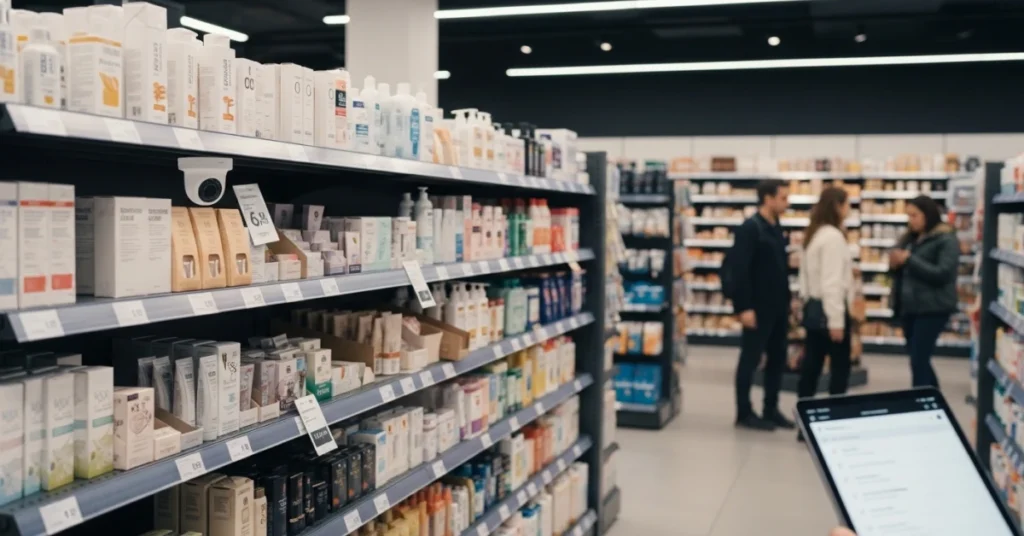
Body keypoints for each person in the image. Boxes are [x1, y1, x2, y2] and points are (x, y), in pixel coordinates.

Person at [730, 179, 794, 431]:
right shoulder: (750, 228)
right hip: (757, 307)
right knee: (750, 359)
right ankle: (744, 412)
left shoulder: (777, 226)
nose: (786, 203)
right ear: (768, 198)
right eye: (783, 198)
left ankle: (771, 408)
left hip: (778, 306)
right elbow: (739, 271)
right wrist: (743, 307)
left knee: (778, 359)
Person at [796, 187, 854, 423]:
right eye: (847, 204)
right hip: (830, 313)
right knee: (839, 371)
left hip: (814, 309)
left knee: (811, 367)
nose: (848, 209)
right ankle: (834, 420)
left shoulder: (815, 234)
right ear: (838, 206)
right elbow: (832, 283)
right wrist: (837, 321)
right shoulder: (832, 237)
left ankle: (806, 422)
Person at [889, 195, 959, 388]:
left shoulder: (946, 239)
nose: (911, 220)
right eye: (909, 216)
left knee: (919, 360)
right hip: (910, 308)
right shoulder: (910, 238)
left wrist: (909, 259)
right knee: (918, 359)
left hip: (933, 308)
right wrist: (895, 264)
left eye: (915, 215)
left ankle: (920, 402)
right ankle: (933, 398)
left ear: (928, 214)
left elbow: (943, 273)